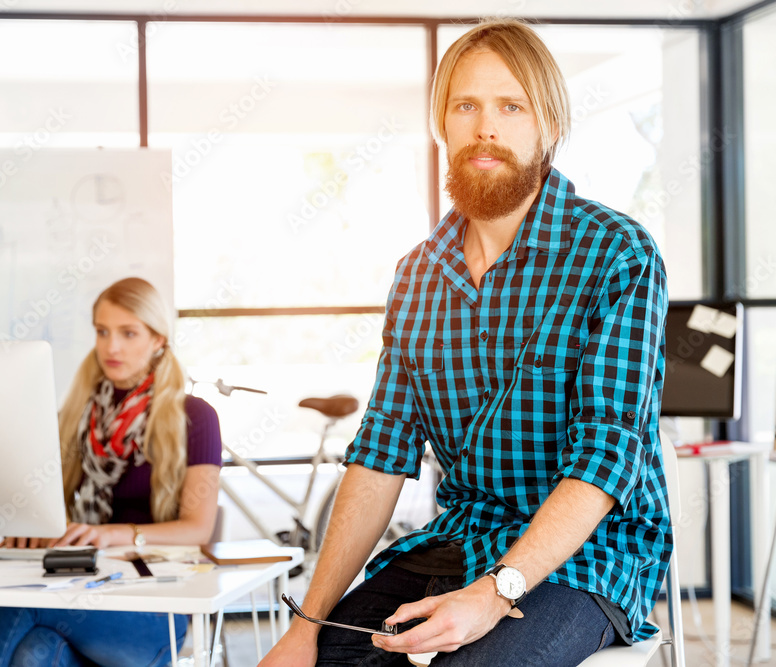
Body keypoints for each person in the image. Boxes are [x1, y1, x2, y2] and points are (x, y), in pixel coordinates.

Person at [262, 18, 669, 667]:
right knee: (336, 657)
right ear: (442, 125)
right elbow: (379, 455)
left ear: (549, 125)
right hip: (460, 538)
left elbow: (605, 458)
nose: (487, 127)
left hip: (589, 558)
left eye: (511, 106)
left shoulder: (617, 255)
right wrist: (305, 625)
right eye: (467, 106)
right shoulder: (418, 273)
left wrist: (493, 592)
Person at [0, 277, 222, 667]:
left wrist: (109, 534)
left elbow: (198, 528)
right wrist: (35, 527)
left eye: (128, 333)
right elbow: (47, 501)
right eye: (102, 331)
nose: (111, 347)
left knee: (11, 603)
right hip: (85, 585)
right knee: (35, 653)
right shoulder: (79, 414)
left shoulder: (195, 417)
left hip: (152, 611)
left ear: (158, 340)